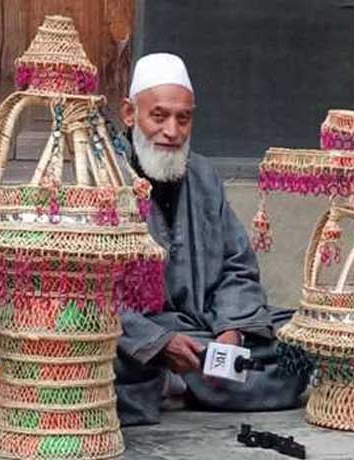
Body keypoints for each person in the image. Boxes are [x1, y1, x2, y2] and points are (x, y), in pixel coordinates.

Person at [114, 53, 309, 426]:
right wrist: (158, 342)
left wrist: (231, 330)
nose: (172, 131)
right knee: (98, 354)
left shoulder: (202, 175)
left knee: (302, 336)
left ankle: (184, 382)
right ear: (129, 113)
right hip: (136, 334)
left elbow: (237, 264)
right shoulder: (103, 176)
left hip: (203, 328)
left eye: (183, 118)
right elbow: (88, 291)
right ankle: (180, 377)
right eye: (159, 116)